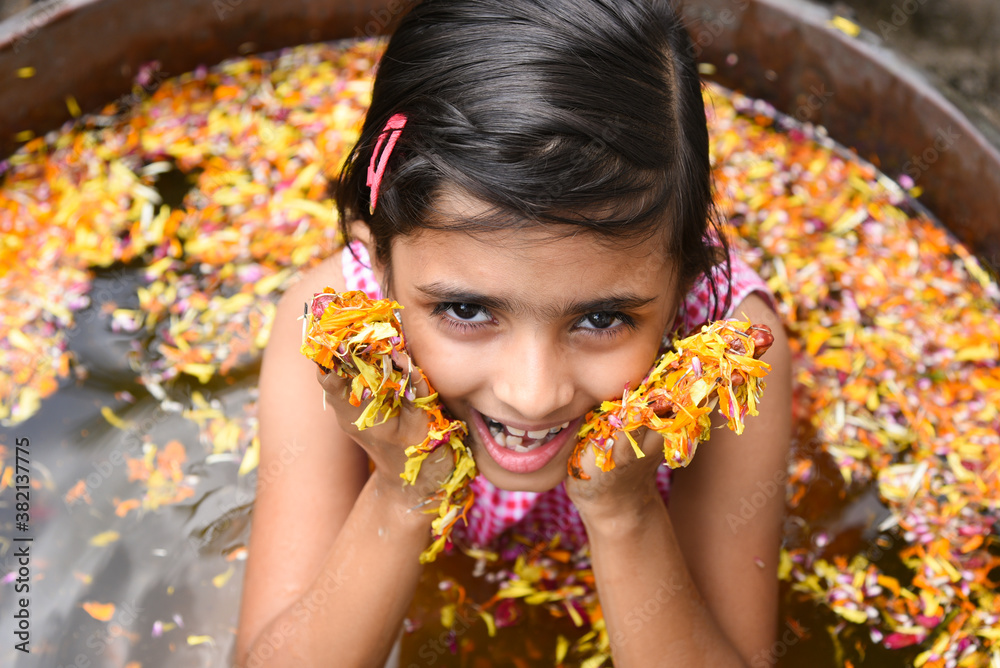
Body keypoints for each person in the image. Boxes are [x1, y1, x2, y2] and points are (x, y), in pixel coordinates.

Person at [235, 0, 792, 665]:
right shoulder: (334, 335)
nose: (533, 394)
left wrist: (625, 512)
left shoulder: (727, 352)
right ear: (378, 259)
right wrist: (403, 488)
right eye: (467, 311)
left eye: (601, 318)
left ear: (682, 281)